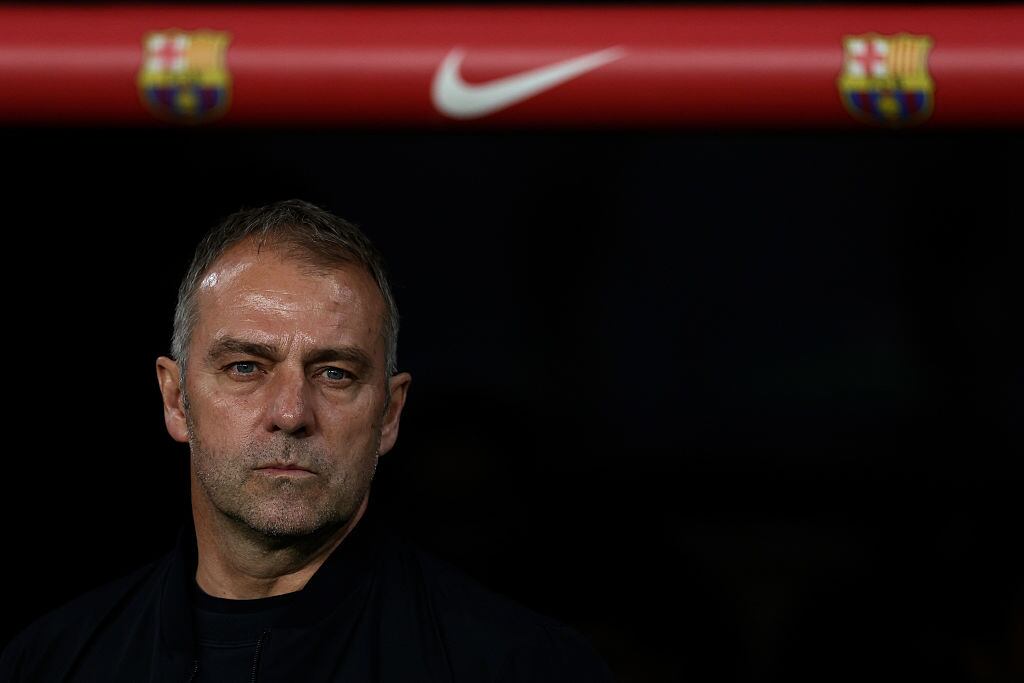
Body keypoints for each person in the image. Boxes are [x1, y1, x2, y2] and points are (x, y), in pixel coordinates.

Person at [0, 200, 611, 682]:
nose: (291, 413)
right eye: (246, 367)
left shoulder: (522, 665)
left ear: (390, 414)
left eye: (335, 373)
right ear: (176, 398)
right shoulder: (51, 663)